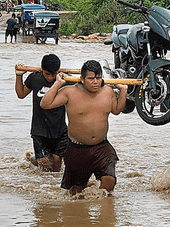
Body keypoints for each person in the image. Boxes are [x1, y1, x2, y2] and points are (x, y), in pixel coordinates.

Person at [40, 60, 128, 195]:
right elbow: (45, 104)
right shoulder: (69, 92)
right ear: (82, 79)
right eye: (91, 79)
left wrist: (123, 91)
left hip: (102, 148)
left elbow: (116, 110)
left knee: (109, 182)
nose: (95, 82)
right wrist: (58, 84)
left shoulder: (108, 91)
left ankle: (105, 212)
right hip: (77, 149)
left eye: (98, 78)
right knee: (76, 193)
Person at [15, 54, 68, 172]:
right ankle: (35, 162)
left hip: (59, 128)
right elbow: (21, 94)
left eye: (53, 74)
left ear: (58, 71)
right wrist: (18, 76)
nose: (50, 77)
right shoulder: (35, 78)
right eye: (47, 74)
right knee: (43, 163)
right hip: (39, 128)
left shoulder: (64, 81)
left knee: (56, 163)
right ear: (42, 69)